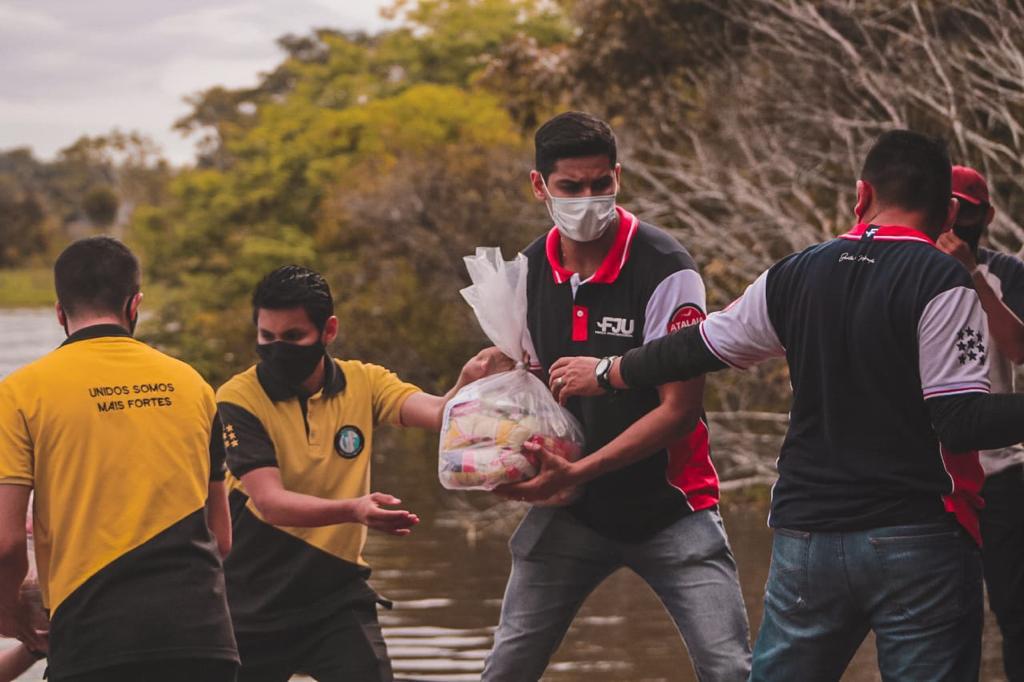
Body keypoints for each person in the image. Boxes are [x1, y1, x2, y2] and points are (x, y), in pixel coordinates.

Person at [548, 130, 1024, 681]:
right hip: (917, 537)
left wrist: (608, 371)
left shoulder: (797, 271)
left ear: (860, 194)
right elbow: (959, 423)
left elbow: (697, 346)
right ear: (945, 213)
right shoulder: (944, 278)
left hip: (807, 540)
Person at [482, 112, 751, 681]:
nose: (588, 199)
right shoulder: (525, 273)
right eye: (571, 188)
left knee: (729, 670)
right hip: (570, 512)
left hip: (671, 507)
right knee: (506, 669)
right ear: (540, 187)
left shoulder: (664, 268)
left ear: (618, 178)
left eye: (600, 185)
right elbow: (526, 402)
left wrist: (576, 473)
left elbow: (679, 412)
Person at [216, 265, 510, 682]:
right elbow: (270, 502)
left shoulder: (364, 382)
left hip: (334, 599)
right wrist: (354, 509)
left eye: (294, 337)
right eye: (267, 337)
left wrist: (470, 379)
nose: (278, 348)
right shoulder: (237, 399)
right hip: (249, 606)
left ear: (328, 330)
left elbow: (440, 413)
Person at [0, 237, 238, 682]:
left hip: (96, 641)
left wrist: (8, 612)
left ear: (59, 312)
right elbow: (220, 538)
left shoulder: (21, 393)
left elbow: (8, 544)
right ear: (135, 305)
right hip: (204, 639)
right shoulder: (194, 386)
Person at [937, 165, 1024, 681]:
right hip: (932, 477)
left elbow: (1017, 348)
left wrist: (971, 272)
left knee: (1015, 611)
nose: (955, 226)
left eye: (966, 216)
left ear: (985, 216)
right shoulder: (908, 269)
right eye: (948, 214)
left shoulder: (1006, 272)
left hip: (1001, 472)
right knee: (940, 619)